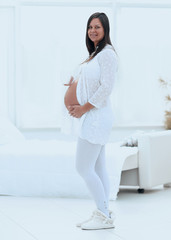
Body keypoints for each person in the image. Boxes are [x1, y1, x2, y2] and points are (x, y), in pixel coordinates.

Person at [64, 12, 117, 230]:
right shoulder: (96, 53)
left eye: (97, 27)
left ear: (105, 30)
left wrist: (84, 108)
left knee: (83, 167)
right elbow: (93, 82)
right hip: (93, 117)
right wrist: (75, 83)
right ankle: (102, 211)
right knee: (98, 166)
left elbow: (107, 87)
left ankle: (103, 214)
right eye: (90, 27)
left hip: (96, 118)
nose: (93, 31)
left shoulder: (108, 54)